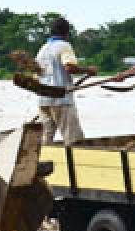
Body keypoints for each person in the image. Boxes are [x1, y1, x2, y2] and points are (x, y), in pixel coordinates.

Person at [35, 17, 97, 145]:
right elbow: (69, 67)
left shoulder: (43, 49)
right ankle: (76, 162)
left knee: (45, 139)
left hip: (43, 100)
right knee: (73, 138)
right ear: (67, 33)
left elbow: (37, 74)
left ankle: (42, 161)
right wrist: (88, 70)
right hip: (61, 99)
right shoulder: (64, 46)